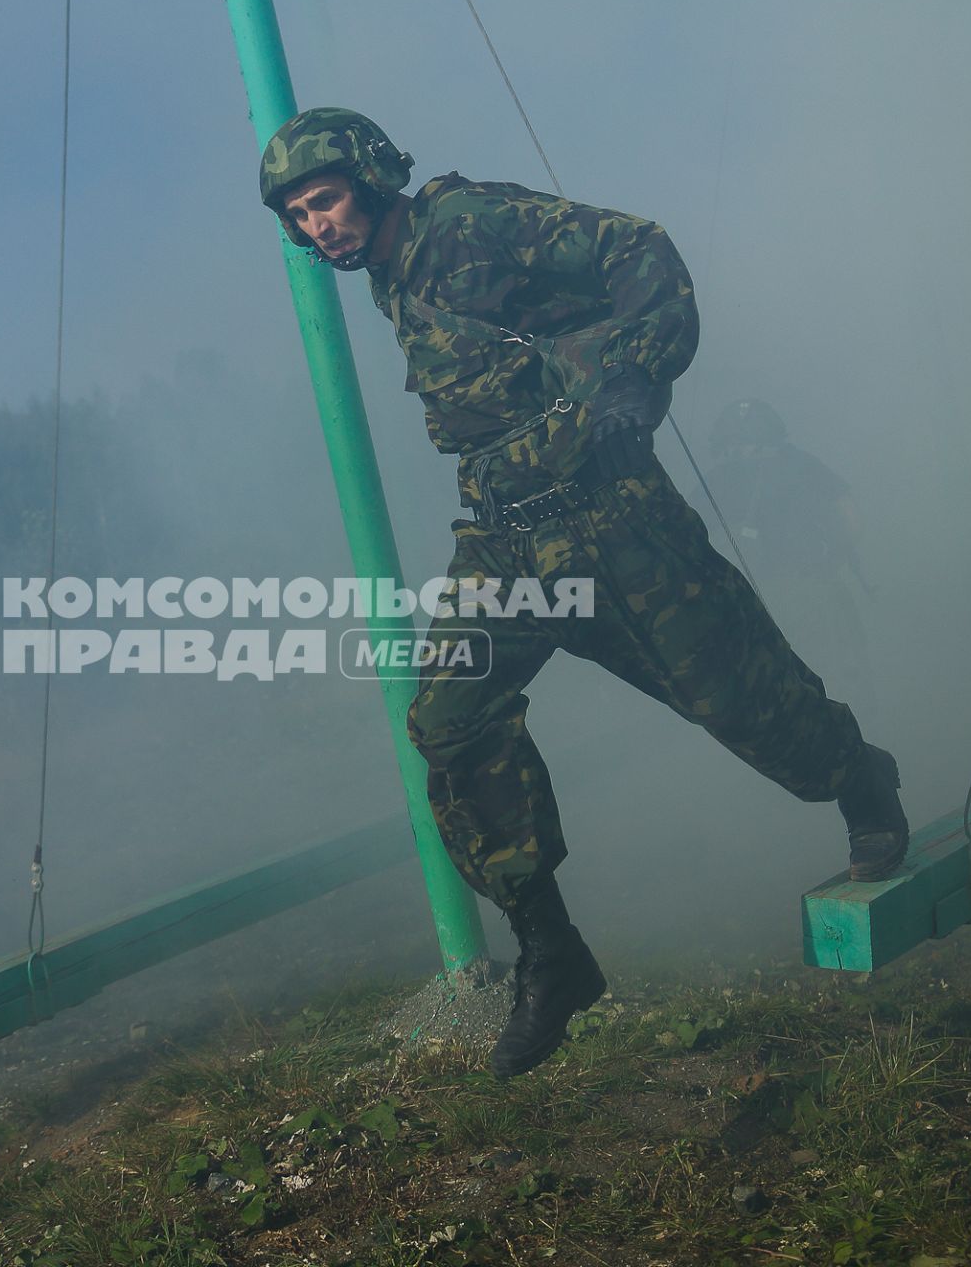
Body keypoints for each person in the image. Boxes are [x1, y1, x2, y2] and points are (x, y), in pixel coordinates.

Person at [257, 109, 911, 1079]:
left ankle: (857, 776)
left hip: (609, 513)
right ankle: (551, 951)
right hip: (503, 537)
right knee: (448, 717)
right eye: (298, 215)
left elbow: (636, 248)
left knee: (733, 696)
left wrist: (633, 377)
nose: (317, 227)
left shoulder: (467, 219)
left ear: (371, 175)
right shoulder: (391, 278)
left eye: (326, 199)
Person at [702, 399, 873, 706]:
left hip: (749, 605)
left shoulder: (717, 479)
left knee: (773, 693)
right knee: (843, 680)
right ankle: (856, 743)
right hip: (814, 588)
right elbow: (851, 518)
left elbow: (695, 540)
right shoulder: (802, 463)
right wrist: (831, 562)